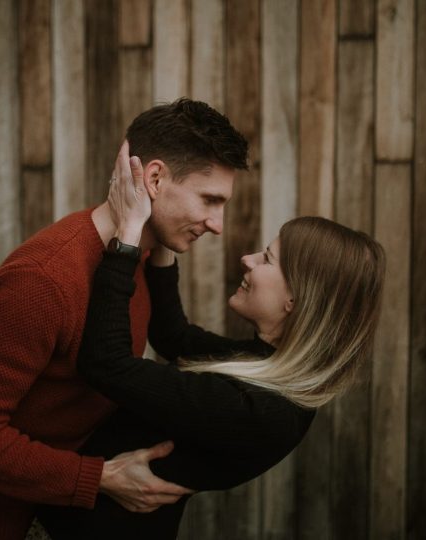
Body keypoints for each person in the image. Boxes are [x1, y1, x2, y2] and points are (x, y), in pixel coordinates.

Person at [0, 99, 249, 540]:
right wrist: (98, 477)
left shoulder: (136, 253)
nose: (217, 224)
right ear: (154, 179)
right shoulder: (42, 282)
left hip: (64, 513)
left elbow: (170, 333)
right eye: (209, 200)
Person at [35, 151, 386, 538]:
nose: (248, 260)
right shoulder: (265, 365)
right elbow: (174, 337)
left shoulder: (263, 412)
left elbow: (106, 363)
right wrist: (163, 232)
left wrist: (129, 237)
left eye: (267, 259)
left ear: (296, 301)